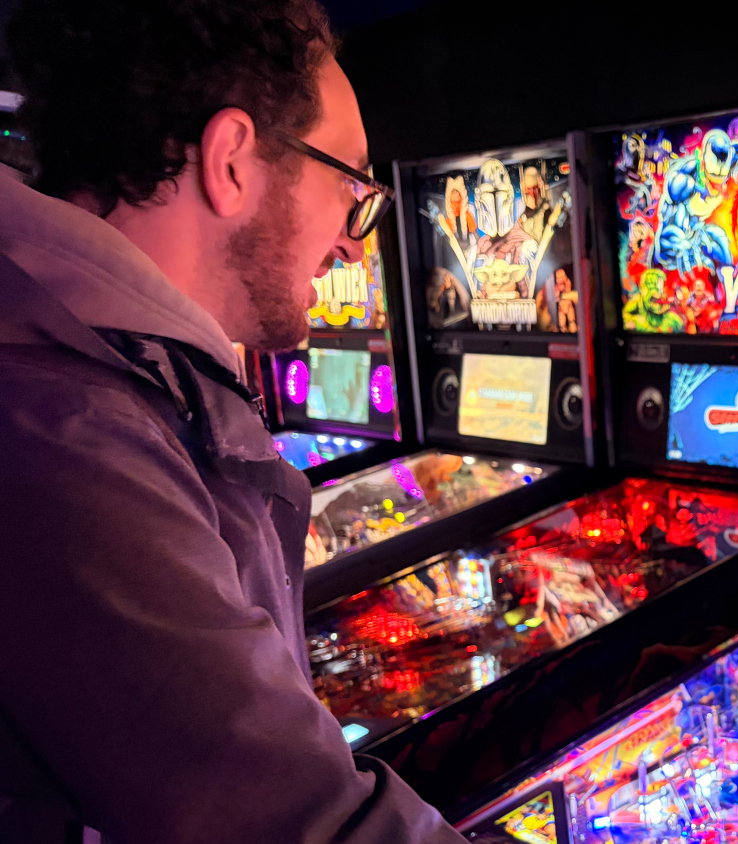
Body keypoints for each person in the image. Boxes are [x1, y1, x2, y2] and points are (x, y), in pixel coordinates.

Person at [0, 2, 466, 842]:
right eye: (348, 183)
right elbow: (295, 822)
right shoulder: (63, 428)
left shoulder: (112, 377)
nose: (357, 243)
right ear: (231, 163)